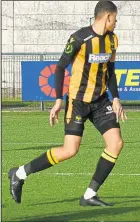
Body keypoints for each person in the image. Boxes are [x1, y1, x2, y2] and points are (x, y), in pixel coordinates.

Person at [8, 1, 126, 207]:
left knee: (116, 144)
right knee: (70, 150)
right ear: (107, 17)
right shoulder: (79, 38)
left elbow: (111, 71)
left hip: (100, 101)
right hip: (78, 101)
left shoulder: (113, 40)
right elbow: (61, 67)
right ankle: (19, 173)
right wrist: (58, 100)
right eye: (115, 19)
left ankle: (89, 195)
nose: (116, 23)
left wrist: (115, 97)